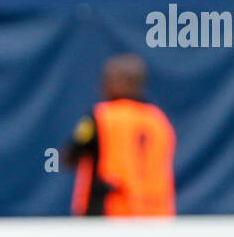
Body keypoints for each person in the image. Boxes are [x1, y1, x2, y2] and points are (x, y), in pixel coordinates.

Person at [64, 54, 176, 216]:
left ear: (120, 83)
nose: (101, 86)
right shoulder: (159, 121)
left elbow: (71, 155)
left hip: (109, 213)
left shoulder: (99, 117)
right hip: (156, 215)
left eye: (107, 80)